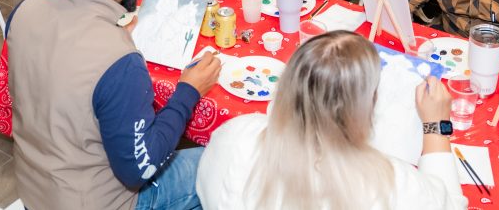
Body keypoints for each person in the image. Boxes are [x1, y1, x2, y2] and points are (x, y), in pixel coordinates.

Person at [7, 0, 221, 210]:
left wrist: (112, 33)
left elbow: (62, 65)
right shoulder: (120, 63)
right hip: (98, 202)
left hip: (36, 189)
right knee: (222, 161)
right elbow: (138, 170)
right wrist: (188, 92)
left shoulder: (26, 8)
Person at [196, 31, 467, 210]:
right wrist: (435, 127)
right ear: (366, 107)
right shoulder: (389, 183)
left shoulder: (234, 134)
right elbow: (451, 204)